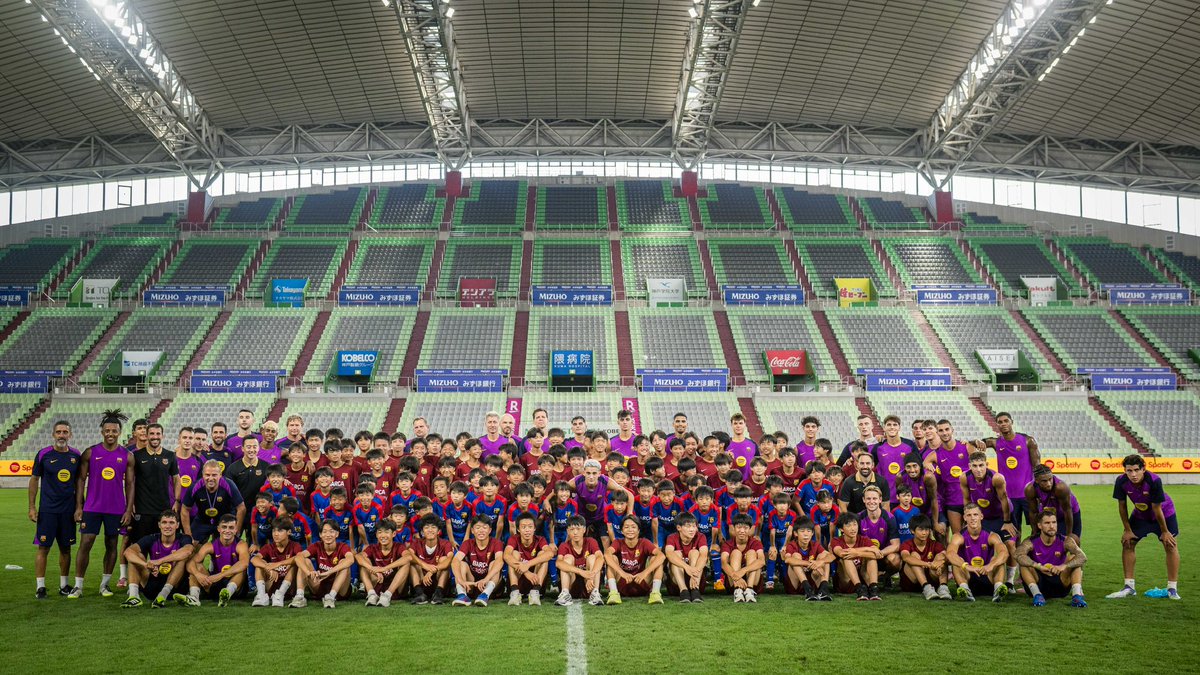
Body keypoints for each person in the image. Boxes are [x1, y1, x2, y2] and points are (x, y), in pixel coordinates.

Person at [72, 409, 135, 599]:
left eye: (114, 431)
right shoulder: (91, 453)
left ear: (119, 432)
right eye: (107, 430)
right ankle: (78, 586)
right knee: (86, 543)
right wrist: (79, 506)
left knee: (112, 545)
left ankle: (104, 585)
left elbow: (131, 484)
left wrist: (128, 509)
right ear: (102, 431)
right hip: (92, 507)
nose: (110, 434)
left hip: (115, 509)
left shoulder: (127, 456)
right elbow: (81, 480)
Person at [1107, 454, 1180, 600]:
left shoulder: (1154, 480)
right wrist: (1127, 530)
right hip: (1141, 514)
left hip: (1164, 513)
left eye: (1136, 470)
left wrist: (1165, 532)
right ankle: (1129, 587)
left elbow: (1157, 508)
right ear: (1125, 471)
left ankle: (1172, 588)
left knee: (1170, 544)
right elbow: (1122, 506)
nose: (1133, 475)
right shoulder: (1121, 481)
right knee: (1128, 543)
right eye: (1129, 471)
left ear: (1143, 469)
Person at [29, 420, 80, 599]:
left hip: (68, 511)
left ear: (70, 435)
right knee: (44, 547)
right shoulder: (43, 454)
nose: (61, 435)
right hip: (48, 510)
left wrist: (79, 507)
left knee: (66, 549)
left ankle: (64, 585)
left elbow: (79, 483)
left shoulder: (76, 456)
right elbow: (34, 480)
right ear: (53, 434)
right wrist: (32, 507)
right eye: (58, 432)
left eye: (65, 432)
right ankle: (40, 587)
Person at [972, 411, 1039, 539]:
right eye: (1000, 422)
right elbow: (974, 443)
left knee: (1036, 528)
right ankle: (1017, 557)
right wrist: (976, 441)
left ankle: (1034, 555)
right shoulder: (995, 442)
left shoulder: (1028, 441)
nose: (1003, 424)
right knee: (1014, 532)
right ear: (996, 425)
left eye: (1006, 421)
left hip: (1028, 494)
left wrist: (1037, 491)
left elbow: (1037, 467)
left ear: (1011, 422)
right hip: (1008, 496)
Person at [960, 450, 1018, 588]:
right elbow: (967, 499)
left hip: (1001, 516)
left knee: (1010, 545)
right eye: (974, 466)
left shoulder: (996, 478)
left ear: (986, 464)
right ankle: (981, 576)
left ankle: (1009, 582)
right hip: (983, 517)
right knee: (981, 545)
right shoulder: (964, 477)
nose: (978, 469)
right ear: (969, 466)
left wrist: (1007, 522)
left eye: (981, 465)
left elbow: (1004, 500)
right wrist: (967, 519)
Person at [120, 510, 195, 608]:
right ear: (159, 525)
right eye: (164, 522)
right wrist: (146, 564)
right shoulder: (151, 538)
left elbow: (188, 551)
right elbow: (128, 552)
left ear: (177, 525)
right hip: (152, 583)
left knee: (182, 558)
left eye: (171, 523)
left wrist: (159, 561)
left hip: (175, 587)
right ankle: (134, 597)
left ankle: (162, 596)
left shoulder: (184, 538)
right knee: (136, 557)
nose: (168, 526)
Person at [1015, 511, 1088, 608]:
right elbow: (1017, 555)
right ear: (1039, 525)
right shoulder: (1031, 541)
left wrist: (1063, 566)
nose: (1052, 526)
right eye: (1047, 523)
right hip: (1039, 583)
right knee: (1024, 562)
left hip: (1060, 583)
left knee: (1074, 558)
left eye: (1054, 522)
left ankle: (1077, 596)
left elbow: (1083, 557)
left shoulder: (1065, 541)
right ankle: (1037, 595)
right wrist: (1038, 566)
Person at [175, 514, 249, 607]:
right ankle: (193, 598)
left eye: (231, 528)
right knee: (196, 565)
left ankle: (227, 594)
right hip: (214, 585)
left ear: (236, 530)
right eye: (224, 527)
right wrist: (198, 575)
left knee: (241, 569)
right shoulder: (210, 545)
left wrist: (221, 575)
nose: (227, 530)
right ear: (218, 529)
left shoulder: (241, 544)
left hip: (236, 587)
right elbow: (190, 563)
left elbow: (244, 563)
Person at [947, 503, 1009, 602]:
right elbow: (950, 554)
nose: (972, 518)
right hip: (968, 577)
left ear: (981, 516)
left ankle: (998, 589)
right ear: (964, 518)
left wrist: (991, 565)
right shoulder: (958, 536)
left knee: (997, 560)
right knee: (957, 562)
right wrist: (966, 566)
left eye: (975, 514)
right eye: (969, 515)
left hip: (987, 576)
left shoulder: (991, 535)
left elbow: (1004, 553)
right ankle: (965, 590)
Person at [181, 460, 246, 544]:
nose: (210, 478)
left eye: (214, 475)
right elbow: (185, 509)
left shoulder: (228, 484)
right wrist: (188, 534)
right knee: (192, 546)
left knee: (225, 547)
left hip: (224, 521)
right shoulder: (195, 486)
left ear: (220, 475)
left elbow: (241, 508)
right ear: (202, 475)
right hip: (202, 520)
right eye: (207, 475)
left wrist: (236, 531)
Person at [605, 515, 665, 605]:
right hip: (623, 581)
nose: (630, 530)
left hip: (641, 580)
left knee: (656, 559)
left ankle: (655, 593)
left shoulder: (644, 542)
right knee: (612, 557)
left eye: (633, 527)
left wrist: (644, 573)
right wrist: (622, 573)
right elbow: (606, 554)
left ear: (638, 530)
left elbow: (662, 556)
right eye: (626, 527)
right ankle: (613, 593)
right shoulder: (617, 542)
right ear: (621, 530)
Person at [296, 520, 354, 609]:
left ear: (337, 534)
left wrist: (328, 572)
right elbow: (298, 557)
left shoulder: (343, 546)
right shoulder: (316, 545)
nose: (328, 535)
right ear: (320, 535)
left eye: (331, 531)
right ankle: (299, 597)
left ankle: (331, 596)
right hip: (320, 585)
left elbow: (351, 559)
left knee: (344, 563)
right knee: (305, 561)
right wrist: (308, 572)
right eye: (325, 532)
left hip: (340, 590)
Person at [250, 517, 304, 607]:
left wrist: (278, 564)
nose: (275, 534)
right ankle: (261, 595)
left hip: (289, 588)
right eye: (274, 531)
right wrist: (268, 567)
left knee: (294, 563)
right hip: (271, 584)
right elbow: (253, 559)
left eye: (280, 531)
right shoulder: (268, 547)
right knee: (260, 564)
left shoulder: (295, 546)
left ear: (289, 532)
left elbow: (300, 558)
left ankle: (280, 594)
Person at [452, 516, 505, 606]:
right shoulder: (468, 543)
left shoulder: (496, 543)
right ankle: (462, 595)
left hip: (490, 583)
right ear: (472, 530)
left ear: (490, 530)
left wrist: (486, 579)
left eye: (484, 528)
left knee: (494, 563)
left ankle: (485, 595)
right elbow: (455, 561)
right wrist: (461, 580)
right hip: (471, 584)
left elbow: (500, 561)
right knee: (461, 563)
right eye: (478, 527)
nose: (481, 530)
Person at [504, 513, 556, 605]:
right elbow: (506, 556)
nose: (527, 530)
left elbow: (550, 553)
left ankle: (535, 592)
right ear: (518, 529)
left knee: (542, 554)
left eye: (530, 527)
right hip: (518, 581)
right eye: (523, 527)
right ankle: (515, 592)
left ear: (534, 528)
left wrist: (527, 564)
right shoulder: (514, 539)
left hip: (535, 580)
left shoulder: (540, 539)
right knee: (514, 554)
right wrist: (526, 572)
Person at [357, 519, 410, 607]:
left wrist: (384, 568)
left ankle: (387, 595)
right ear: (376, 535)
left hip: (395, 587)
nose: (383, 535)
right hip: (377, 582)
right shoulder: (372, 547)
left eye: (386, 532)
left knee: (406, 563)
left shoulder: (399, 546)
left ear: (393, 534)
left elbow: (408, 557)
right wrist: (372, 568)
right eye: (380, 532)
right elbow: (358, 556)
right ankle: (371, 595)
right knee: (363, 563)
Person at [555, 516, 605, 606]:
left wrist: (590, 575)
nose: (575, 532)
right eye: (572, 529)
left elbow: (601, 558)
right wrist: (581, 572)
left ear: (584, 529)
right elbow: (558, 563)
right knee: (567, 558)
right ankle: (565, 594)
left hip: (590, 584)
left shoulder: (591, 541)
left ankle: (595, 594)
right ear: (567, 531)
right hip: (572, 584)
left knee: (593, 557)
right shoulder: (564, 545)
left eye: (578, 529)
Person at [899, 515, 951, 600]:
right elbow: (906, 558)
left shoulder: (935, 544)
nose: (924, 533)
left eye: (926, 529)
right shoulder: (906, 544)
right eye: (920, 529)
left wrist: (941, 562)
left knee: (941, 556)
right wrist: (928, 564)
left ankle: (943, 588)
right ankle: (926, 587)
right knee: (914, 556)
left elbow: (947, 557)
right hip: (912, 582)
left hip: (932, 581)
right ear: (912, 531)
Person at [1025, 464, 1082, 543]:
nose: (1048, 484)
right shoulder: (1030, 489)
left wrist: (1068, 535)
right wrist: (1035, 532)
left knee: (1073, 541)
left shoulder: (1061, 488)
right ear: (1037, 480)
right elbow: (1033, 512)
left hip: (1069, 513)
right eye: (1044, 481)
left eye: (1050, 479)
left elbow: (1067, 511)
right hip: (1048, 514)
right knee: (1046, 541)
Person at [782, 517, 833, 600]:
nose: (806, 534)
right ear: (795, 533)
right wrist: (810, 564)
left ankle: (824, 589)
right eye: (802, 531)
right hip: (795, 584)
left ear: (812, 533)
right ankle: (807, 589)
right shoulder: (792, 545)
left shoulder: (815, 544)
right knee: (796, 556)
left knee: (824, 557)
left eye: (809, 531)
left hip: (812, 580)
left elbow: (831, 556)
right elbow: (788, 559)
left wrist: (820, 562)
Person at [831, 513, 880, 601]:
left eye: (855, 524)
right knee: (847, 557)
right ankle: (859, 589)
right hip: (845, 581)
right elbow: (841, 553)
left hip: (863, 577)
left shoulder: (864, 539)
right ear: (841, 529)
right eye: (848, 525)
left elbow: (878, 554)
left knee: (871, 557)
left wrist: (857, 552)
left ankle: (874, 588)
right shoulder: (836, 540)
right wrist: (866, 550)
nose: (853, 528)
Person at [663, 512, 709, 603]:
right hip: (676, 583)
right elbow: (669, 554)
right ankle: (683, 591)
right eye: (688, 526)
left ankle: (695, 590)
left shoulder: (701, 536)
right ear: (679, 528)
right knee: (676, 554)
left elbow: (704, 556)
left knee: (695, 552)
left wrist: (694, 572)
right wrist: (687, 567)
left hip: (696, 581)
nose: (692, 529)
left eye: (694, 526)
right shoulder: (671, 537)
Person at [408, 515, 454, 605]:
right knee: (412, 563)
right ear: (422, 531)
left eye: (433, 527)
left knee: (444, 560)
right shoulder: (416, 542)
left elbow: (449, 559)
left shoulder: (445, 543)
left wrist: (432, 570)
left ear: (439, 531)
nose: (430, 530)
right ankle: (419, 593)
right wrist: (424, 565)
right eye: (426, 527)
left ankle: (438, 594)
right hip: (421, 579)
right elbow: (408, 555)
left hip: (437, 580)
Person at [721, 513, 765, 603]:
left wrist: (743, 571)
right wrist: (737, 577)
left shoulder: (756, 543)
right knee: (736, 552)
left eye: (745, 528)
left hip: (753, 582)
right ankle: (738, 590)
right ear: (733, 528)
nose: (742, 531)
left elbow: (762, 561)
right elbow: (724, 563)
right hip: (733, 583)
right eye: (739, 527)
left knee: (752, 552)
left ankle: (749, 590)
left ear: (750, 529)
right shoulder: (727, 544)